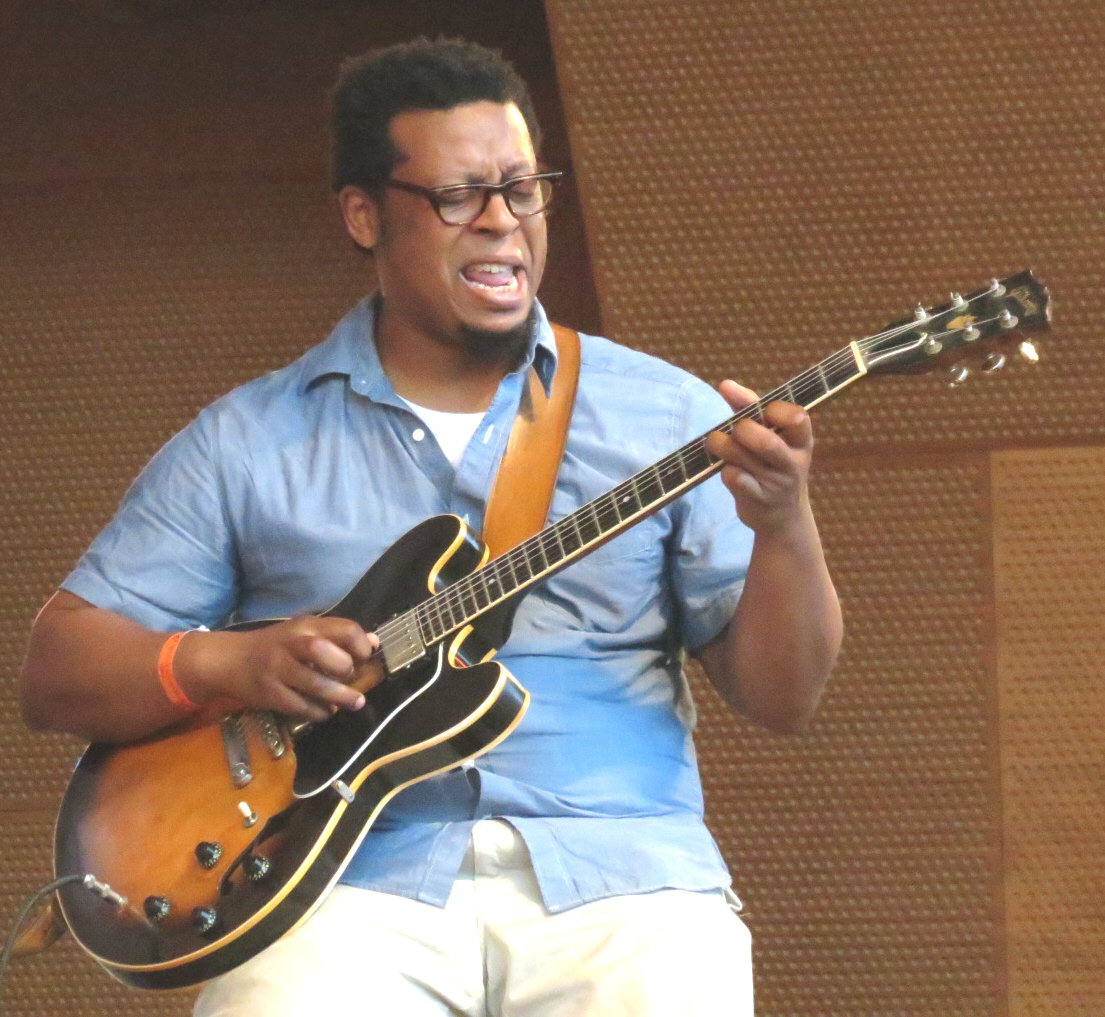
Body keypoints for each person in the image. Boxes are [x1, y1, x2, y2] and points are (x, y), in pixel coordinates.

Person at [18, 37, 842, 1016]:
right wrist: (224, 666)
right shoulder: (248, 438)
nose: (503, 225)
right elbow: (57, 668)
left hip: (625, 881)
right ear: (364, 216)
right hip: (337, 890)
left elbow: (786, 698)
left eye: (522, 188)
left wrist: (783, 520)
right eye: (458, 198)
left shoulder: (668, 416)